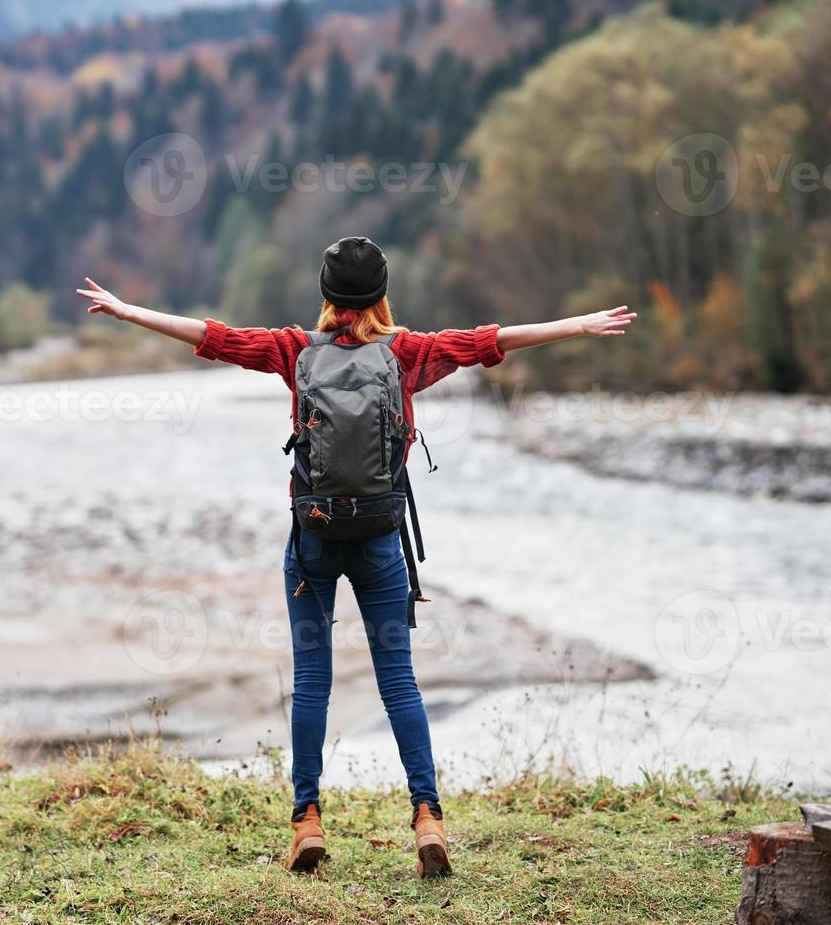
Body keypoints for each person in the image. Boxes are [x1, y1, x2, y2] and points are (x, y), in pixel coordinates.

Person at [76, 236, 636, 878]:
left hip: (312, 540)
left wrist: (127, 311)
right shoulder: (408, 354)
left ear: (326, 295)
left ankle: (307, 821)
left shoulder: (294, 352)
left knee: (313, 681)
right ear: (381, 294)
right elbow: (492, 341)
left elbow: (214, 336)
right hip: (378, 540)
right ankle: (428, 817)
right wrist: (578, 325)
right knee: (399, 680)